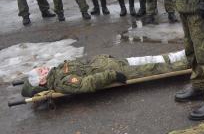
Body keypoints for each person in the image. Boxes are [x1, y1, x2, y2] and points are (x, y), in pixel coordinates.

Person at [21, 50, 187, 97]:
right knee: (157, 67)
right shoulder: (62, 81)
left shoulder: (56, 70)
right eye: (41, 71)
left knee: (151, 59)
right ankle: (194, 61)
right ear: (42, 81)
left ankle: (184, 54)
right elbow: (89, 83)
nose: (43, 67)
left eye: (40, 67)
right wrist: (113, 75)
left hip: (113, 62)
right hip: (115, 70)